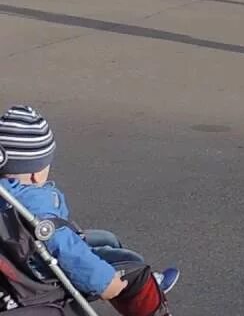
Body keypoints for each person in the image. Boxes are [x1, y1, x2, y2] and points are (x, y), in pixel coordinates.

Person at [0, 106, 177, 316]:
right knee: (135, 270)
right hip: (42, 273)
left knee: (106, 239)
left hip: (20, 257)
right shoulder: (36, 204)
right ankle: (145, 299)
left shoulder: (8, 196)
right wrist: (103, 282)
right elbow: (65, 249)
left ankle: (125, 293)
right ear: (36, 174)